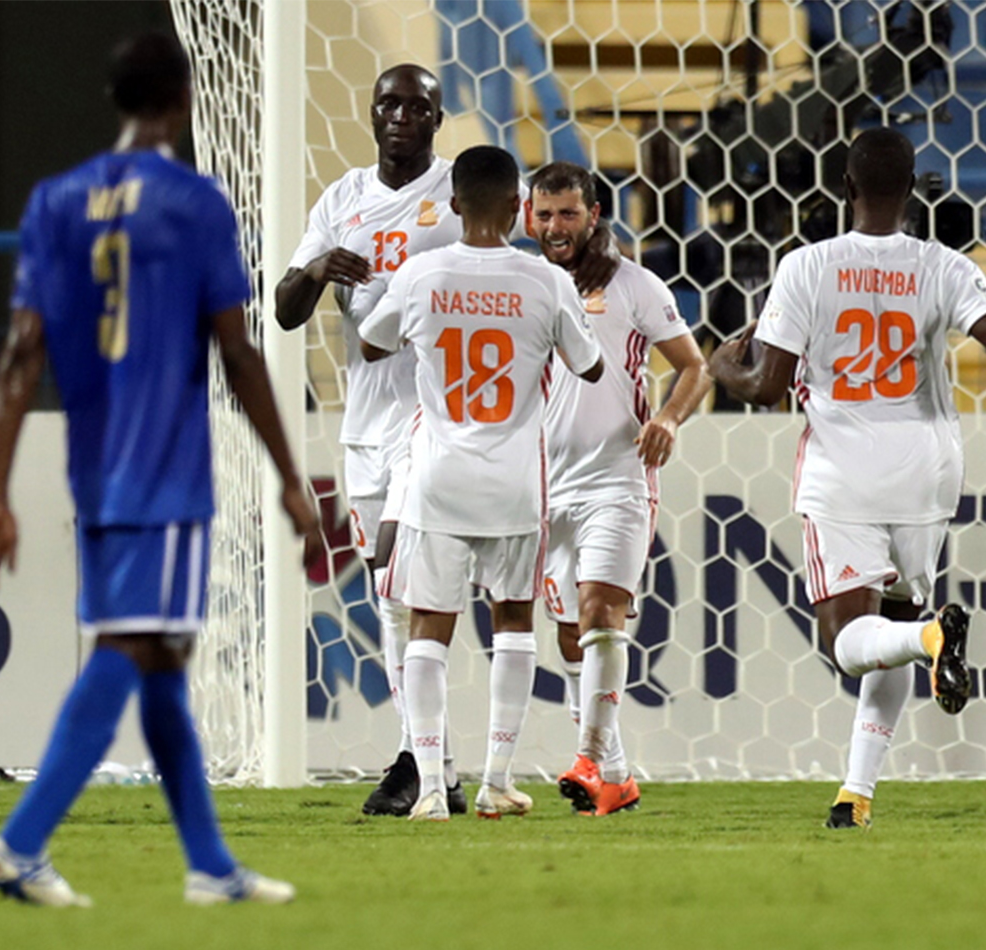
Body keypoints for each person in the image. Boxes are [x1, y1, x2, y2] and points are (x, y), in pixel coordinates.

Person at [0, 31, 318, 906]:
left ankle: (209, 866)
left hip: (95, 468)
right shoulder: (195, 202)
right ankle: (20, 840)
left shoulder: (55, 201)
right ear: (184, 100)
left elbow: (19, 353)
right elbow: (237, 352)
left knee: (164, 655)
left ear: (117, 100)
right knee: (135, 645)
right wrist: (287, 470)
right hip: (165, 466)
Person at [709, 128, 986, 828]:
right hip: (926, 471)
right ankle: (856, 793)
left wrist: (720, 366)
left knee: (852, 642)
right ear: (909, 193)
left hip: (843, 468)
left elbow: (765, 384)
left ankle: (932, 639)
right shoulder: (944, 266)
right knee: (894, 624)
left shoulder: (807, 265)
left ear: (845, 188)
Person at [273, 63, 613, 817]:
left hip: (430, 434)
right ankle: (440, 766)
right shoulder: (343, 201)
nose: (399, 115)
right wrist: (321, 266)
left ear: (435, 118)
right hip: (372, 426)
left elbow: (377, 336)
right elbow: (285, 309)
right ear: (370, 113)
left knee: (416, 597)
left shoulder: (456, 194)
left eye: (415, 105)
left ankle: (425, 770)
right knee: (399, 602)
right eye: (386, 102)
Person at [359, 145, 605, 822]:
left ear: (457, 204)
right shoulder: (544, 280)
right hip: (515, 482)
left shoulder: (419, 273)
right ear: (519, 209)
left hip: (438, 479)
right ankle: (497, 780)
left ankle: (435, 789)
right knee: (514, 622)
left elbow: (373, 343)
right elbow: (589, 367)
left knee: (428, 628)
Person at [525, 161, 710, 815]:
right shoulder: (527, 286)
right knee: (571, 636)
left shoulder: (634, 285)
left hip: (618, 478)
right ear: (527, 217)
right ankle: (618, 775)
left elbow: (693, 365)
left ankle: (586, 758)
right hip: (542, 486)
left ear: (594, 215)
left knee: (603, 611)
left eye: (568, 213)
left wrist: (667, 417)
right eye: (544, 214)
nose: (555, 227)